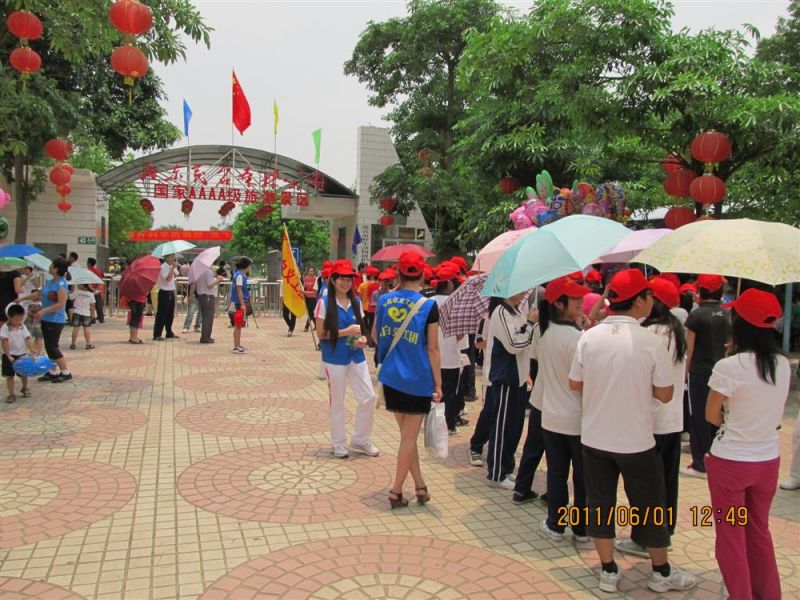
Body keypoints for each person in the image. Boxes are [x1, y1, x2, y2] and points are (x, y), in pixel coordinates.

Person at [568, 269, 695, 594]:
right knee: (649, 505)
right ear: (639, 301)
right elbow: (664, 394)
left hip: (595, 437)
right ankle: (660, 571)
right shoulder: (651, 341)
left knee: (599, 504)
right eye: (649, 295)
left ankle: (608, 570)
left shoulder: (589, 337)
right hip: (636, 440)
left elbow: (575, 384)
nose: (652, 300)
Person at [704, 289, 790, 600]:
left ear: (739, 323)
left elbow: (711, 415)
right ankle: (768, 594)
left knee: (731, 535)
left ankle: (740, 594)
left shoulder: (729, 366)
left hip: (731, 463)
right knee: (758, 530)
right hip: (767, 460)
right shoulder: (782, 364)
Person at [615, 277, 687, 557]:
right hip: (671, 420)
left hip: (649, 420)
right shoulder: (676, 330)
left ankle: (646, 538)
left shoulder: (650, 333)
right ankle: (664, 533)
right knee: (667, 481)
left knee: (644, 485)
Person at [374, 251, 441, 508]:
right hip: (418, 379)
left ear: (398, 274)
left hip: (392, 377)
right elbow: (433, 349)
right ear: (422, 275)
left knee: (406, 438)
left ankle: (421, 486)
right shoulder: (428, 306)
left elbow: (376, 335)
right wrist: (438, 383)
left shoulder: (384, 300)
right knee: (408, 439)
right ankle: (396, 491)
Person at [535, 276, 592, 541]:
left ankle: (555, 524)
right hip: (577, 418)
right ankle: (581, 528)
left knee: (557, 474)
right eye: (575, 298)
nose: (581, 302)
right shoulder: (578, 339)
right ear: (559, 303)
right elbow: (585, 381)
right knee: (582, 476)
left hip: (551, 417)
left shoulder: (545, 333)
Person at [316, 260, 378, 459]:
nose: (345, 283)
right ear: (333, 280)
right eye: (341, 278)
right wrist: (346, 332)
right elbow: (321, 334)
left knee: (369, 396)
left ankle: (360, 439)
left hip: (356, 355)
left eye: (349, 279)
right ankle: (338, 443)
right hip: (334, 358)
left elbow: (359, 329)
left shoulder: (356, 302)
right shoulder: (324, 303)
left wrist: (361, 339)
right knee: (337, 402)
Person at [486, 290, 538, 488]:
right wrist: (531, 324)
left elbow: (524, 341)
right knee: (502, 427)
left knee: (514, 427)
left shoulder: (516, 311)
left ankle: (507, 468)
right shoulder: (501, 312)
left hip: (519, 379)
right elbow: (514, 344)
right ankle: (496, 473)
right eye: (520, 288)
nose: (524, 291)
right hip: (506, 378)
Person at [683, 274, 731, 478]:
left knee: (700, 417)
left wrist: (685, 373)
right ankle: (716, 457)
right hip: (723, 372)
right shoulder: (728, 314)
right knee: (719, 414)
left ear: (701, 291)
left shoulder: (696, 316)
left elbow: (690, 348)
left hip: (700, 371)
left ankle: (700, 463)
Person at [432, 266, 466, 434]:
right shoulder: (456, 303)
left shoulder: (429, 302)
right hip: (451, 356)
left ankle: (433, 425)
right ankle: (449, 425)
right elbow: (460, 336)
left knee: (435, 393)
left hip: (433, 356)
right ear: (448, 284)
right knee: (451, 393)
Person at [37, 256, 73, 383]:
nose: (49, 267)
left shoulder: (61, 285)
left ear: (56, 268)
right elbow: (40, 294)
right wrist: (21, 299)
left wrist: (44, 310)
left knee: (52, 347)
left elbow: (60, 304)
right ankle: (52, 371)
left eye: (52, 265)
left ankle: (65, 372)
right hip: (46, 319)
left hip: (55, 320)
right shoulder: (50, 281)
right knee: (48, 346)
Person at [2, 303, 36, 403]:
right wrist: (8, 355)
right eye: (16, 320)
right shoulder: (5, 328)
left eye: (20, 319)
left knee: (24, 373)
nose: (18, 322)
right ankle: (11, 394)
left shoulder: (22, 326)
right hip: (8, 355)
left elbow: (27, 338)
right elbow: (4, 342)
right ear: (9, 317)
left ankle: (25, 388)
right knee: (10, 375)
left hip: (21, 354)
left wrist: (32, 349)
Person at [195, 266, 225, 344]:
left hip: (201, 295)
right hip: (208, 296)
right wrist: (218, 280)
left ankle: (206, 336)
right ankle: (205, 337)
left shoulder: (199, 271)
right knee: (208, 318)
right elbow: (209, 285)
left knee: (205, 317)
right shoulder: (208, 272)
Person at [153, 254, 180, 340]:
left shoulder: (170, 266)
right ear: (166, 258)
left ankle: (169, 332)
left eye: (173, 257)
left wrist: (173, 268)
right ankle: (157, 334)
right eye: (171, 257)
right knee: (162, 314)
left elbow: (177, 273)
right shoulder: (163, 267)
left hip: (171, 291)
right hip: (164, 292)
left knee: (170, 314)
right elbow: (167, 279)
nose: (173, 258)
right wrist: (172, 269)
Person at [230, 257, 252, 354]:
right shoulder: (239, 275)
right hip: (239, 303)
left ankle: (238, 345)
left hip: (238, 302)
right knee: (238, 325)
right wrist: (243, 303)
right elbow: (239, 290)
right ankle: (236, 346)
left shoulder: (238, 274)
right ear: (246, 266)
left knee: (238, 325)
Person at [69, 284, 96, 350]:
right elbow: (92, 305)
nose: (78, 285)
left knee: (76, 329)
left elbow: (70, 297)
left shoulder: (77, 292)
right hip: (86, 313)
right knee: (86, 329)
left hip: (77, 312)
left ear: (82, 285)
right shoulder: (90, 294)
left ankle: (73, 344)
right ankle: (88, 344)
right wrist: (93, 315)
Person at [86, 258, 105, 324]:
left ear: (89, 264)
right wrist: (97, 288)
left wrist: (92, 289)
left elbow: (88, 282)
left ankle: (92, 318)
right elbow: (101, 280)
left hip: (90, 289)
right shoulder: (98, 271)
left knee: (90, 304)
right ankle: (101, 318)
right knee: (98, 304)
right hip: (97, 289)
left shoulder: (88, 271)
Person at [302, 267, 318, 332]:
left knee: (310, 312)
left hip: (314, 297)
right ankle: (316, 324)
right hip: (307, 297)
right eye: (309, 271)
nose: (311, 272)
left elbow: (315, 291)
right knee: (310, 312)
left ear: (314, 272)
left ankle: (306, 326)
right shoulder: (306, 279)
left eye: (312, 271)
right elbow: (304, 287)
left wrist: (305, 292)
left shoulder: (316, 279)